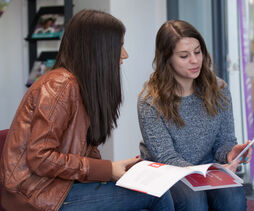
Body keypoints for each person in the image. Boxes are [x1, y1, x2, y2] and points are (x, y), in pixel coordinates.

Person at [0, 9, 174, 211]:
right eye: (119, 46)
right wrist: (107, 170)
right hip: (36, 195)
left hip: (56, 186)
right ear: (99, 48)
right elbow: (40, 158)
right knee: (156, 195)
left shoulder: (77, 85)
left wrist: (114, 168)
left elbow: (76, 150)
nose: (125, 55)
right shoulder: (60, 86)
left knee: (152, 186)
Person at [137, 19, 252, 211]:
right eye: (184, 56)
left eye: (197, 52)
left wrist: (230, 153)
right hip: (169, 172)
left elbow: (223, 141)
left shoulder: (219, 89)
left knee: (233, 197)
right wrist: (202, 172)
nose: (195, 60)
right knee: (193, 201)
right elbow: (166, 157)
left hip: (207, 166)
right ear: (167, 59)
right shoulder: (150, 101)